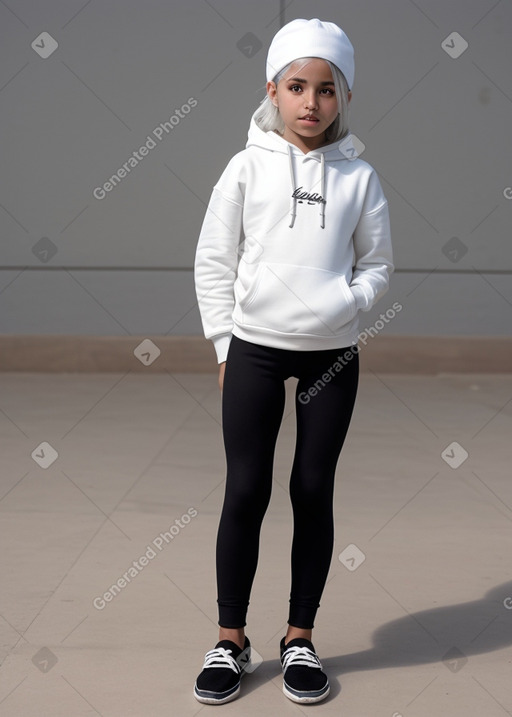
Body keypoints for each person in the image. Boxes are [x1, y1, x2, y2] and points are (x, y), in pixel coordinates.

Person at [193, 17, 393, 705]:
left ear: (343, 97)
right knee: (245, 488)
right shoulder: (245, 167)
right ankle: (230, 641)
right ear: (272, 90)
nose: (312, 102)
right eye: (297, 86)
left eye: (327, 89)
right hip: (253, 350)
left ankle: (299, 636)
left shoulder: (359, 177)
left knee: (312, 488)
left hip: (331, 357)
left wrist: (345, 301)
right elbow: (214, 260)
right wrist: (224, 341)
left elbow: (379, 265)